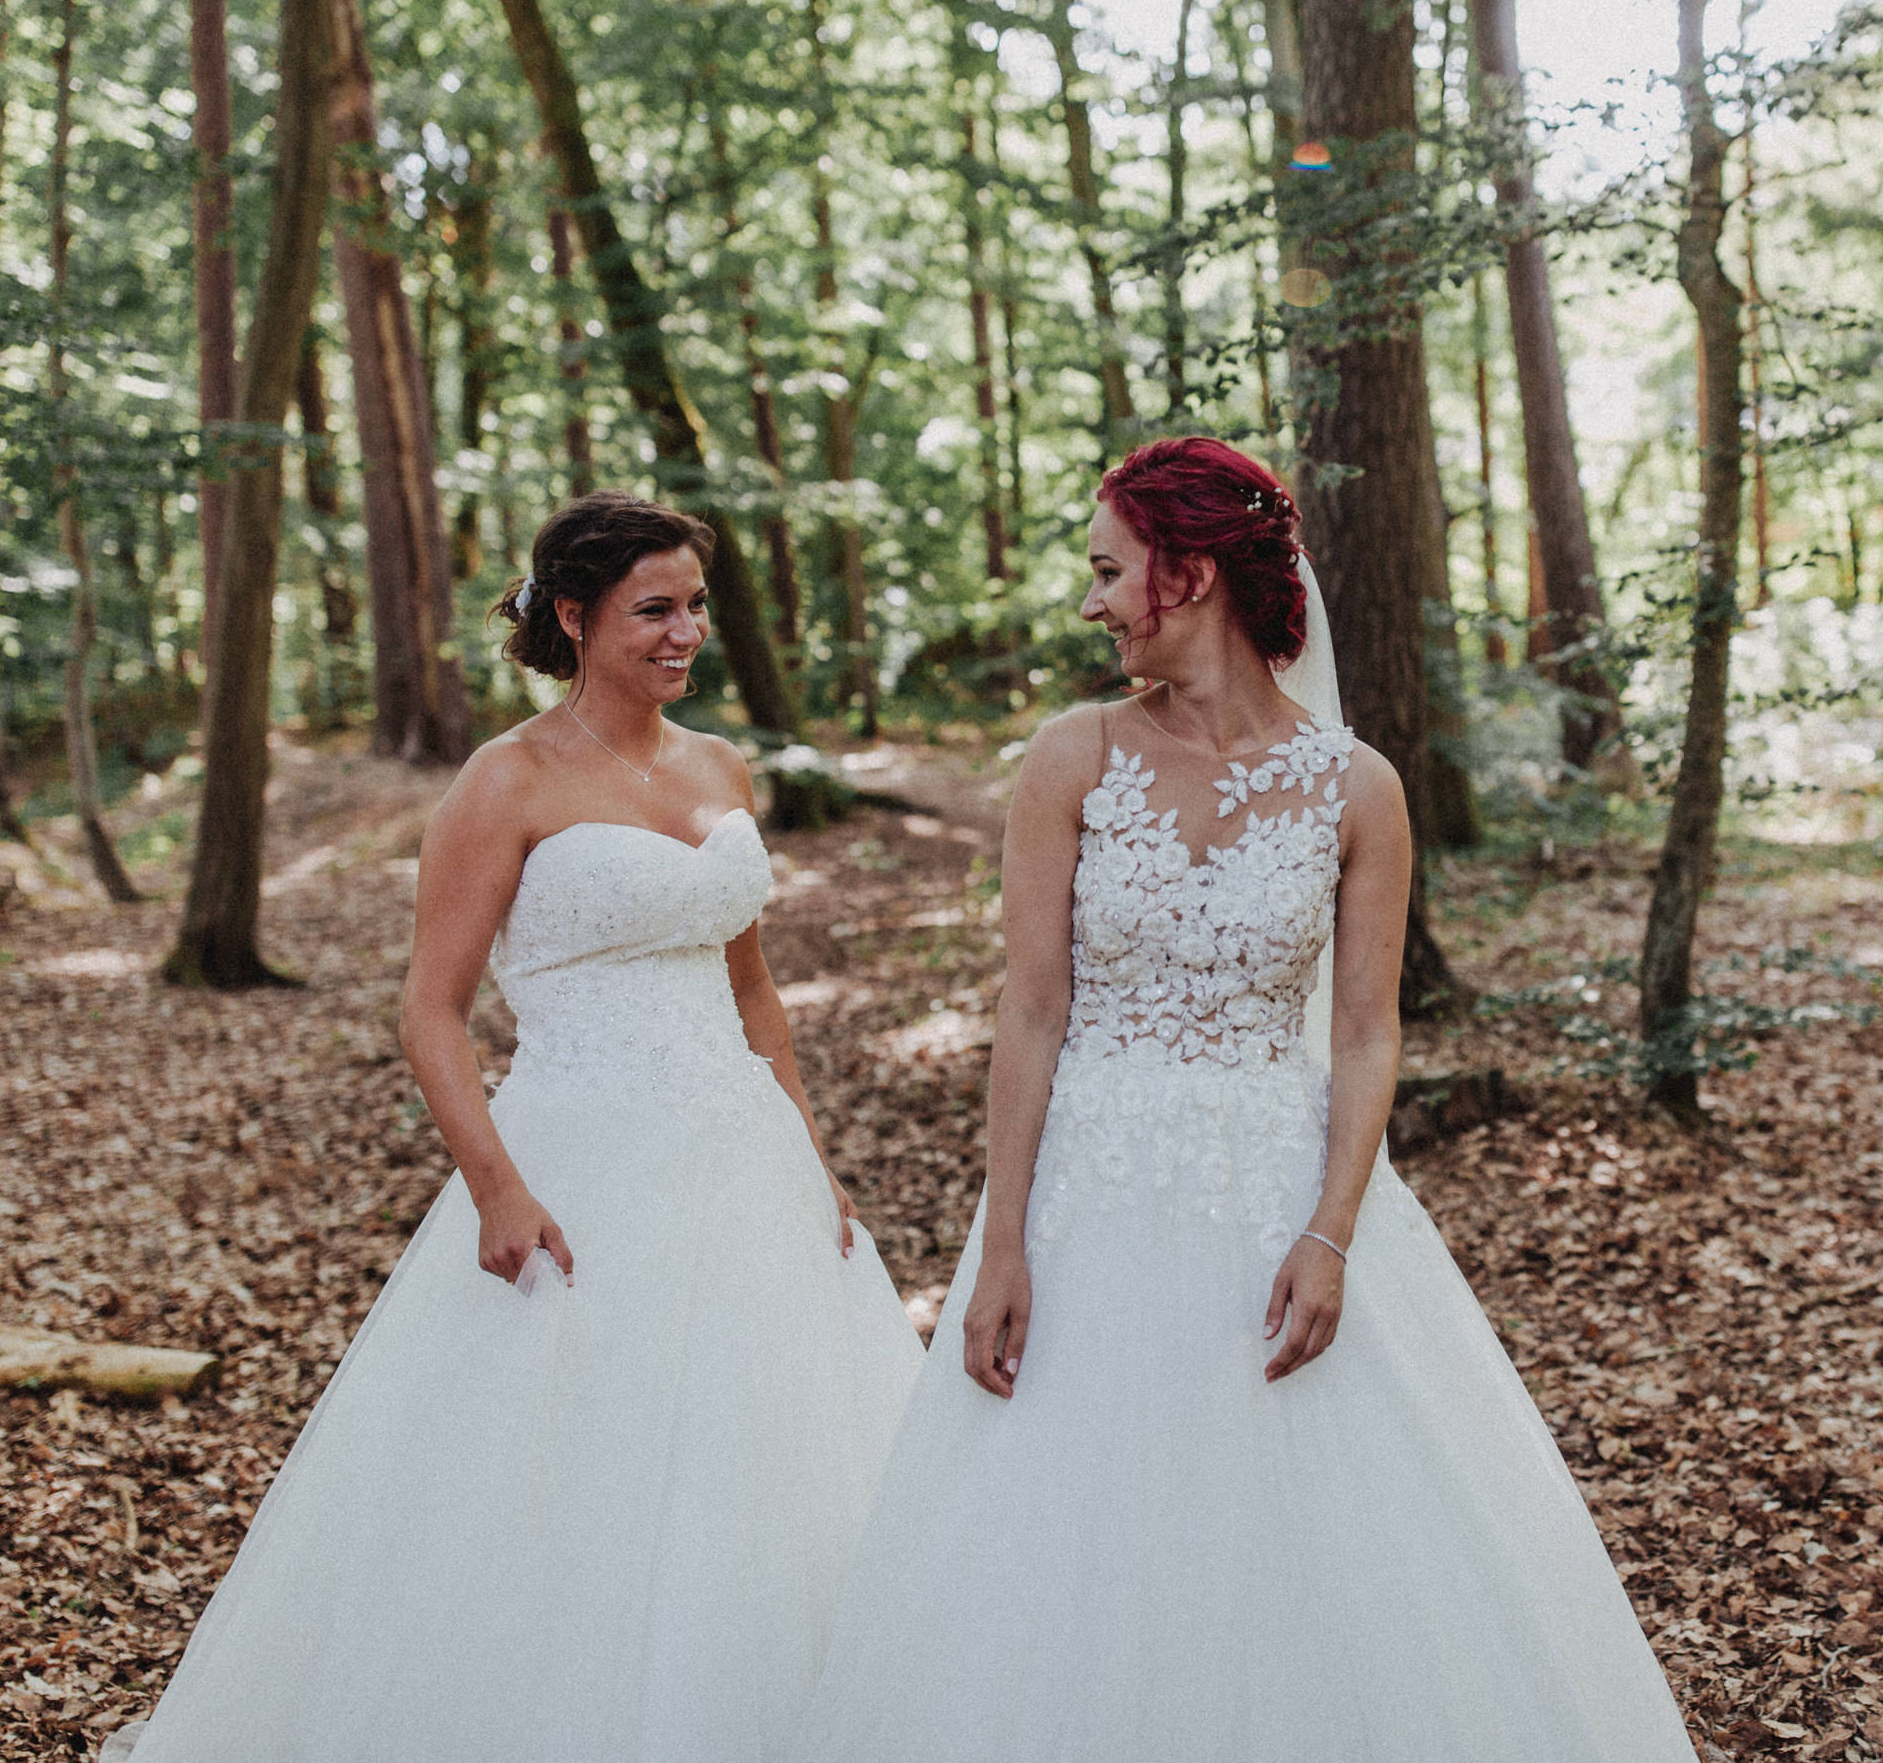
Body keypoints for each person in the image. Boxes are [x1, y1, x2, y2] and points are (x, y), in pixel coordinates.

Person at [801, 439, 1697, 1762]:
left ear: (1192, 571)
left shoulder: (1358, 786)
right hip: (1087, 1199)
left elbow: (1361, 1027)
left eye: (1109, 571)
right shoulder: (1068, 756)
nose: (1093, 602)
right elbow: (1032, 1010)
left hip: (1281, 1189)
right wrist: (999, 1241)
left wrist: (1331, 1231)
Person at [109, 493, 922, 1763]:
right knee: (559, 1473)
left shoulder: (719, 765)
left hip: (741, 1152)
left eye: (694, 605)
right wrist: (495, 1185)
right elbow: (431, 1009)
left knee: (765, 1466)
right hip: (578, 1160)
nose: (684, 631)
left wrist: (811, 1160)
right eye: (653, 608)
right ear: (572, 615)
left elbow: (750, 986)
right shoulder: (507, 780)